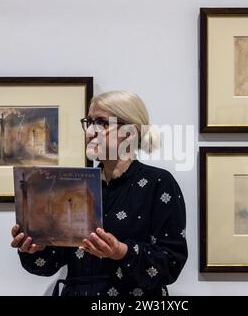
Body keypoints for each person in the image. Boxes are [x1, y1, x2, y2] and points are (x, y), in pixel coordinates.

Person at [10, 90, 188, 296]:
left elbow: (171, 261)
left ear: (130, 133)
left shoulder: (158, 183)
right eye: (89, 122)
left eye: (102, 123)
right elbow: (49, 264)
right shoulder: (73, 185)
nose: (89, 132)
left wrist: (120, 252)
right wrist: (35, 248)